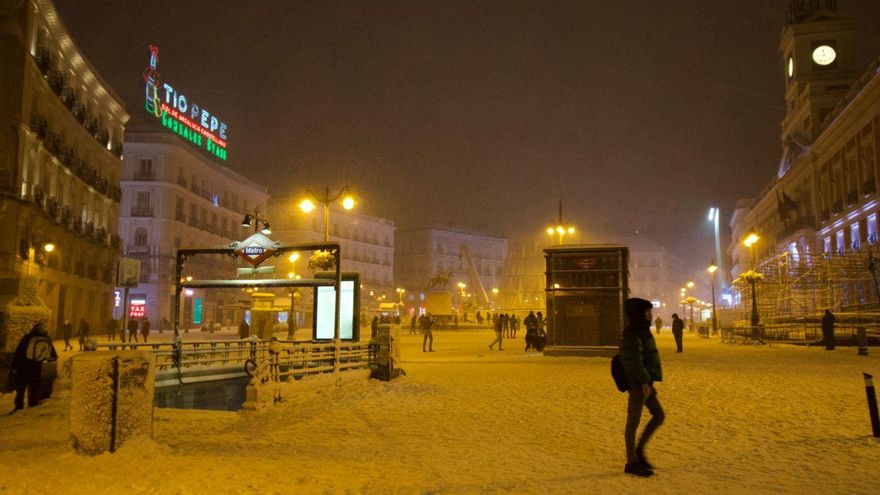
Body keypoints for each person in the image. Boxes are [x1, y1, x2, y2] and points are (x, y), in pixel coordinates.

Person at [619, 298, 665, 478]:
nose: (650, 316)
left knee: (659, 415)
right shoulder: (632, 334)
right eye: (647, 313)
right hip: (638, 385)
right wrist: (645, 381)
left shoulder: (642, 331)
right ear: (638, 314)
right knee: (633, 423)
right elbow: (631, 360)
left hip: (646, 384)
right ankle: (631, 462)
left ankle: (638, 451)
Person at [9, 322, 58, 414]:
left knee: (21, 388)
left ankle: (19, 406)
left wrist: (14, 367)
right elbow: (54, 355)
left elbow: (18, 352)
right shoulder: (47, 339)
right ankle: (32, 404)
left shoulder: (27, 337)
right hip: (36, 367)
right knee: (34, 386)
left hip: (23, 366)